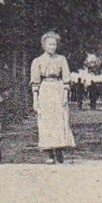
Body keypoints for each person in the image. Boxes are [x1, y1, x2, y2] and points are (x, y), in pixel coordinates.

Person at [29, 31, 75, 163]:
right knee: (46, 121)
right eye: (49, 44)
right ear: (44, 45)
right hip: (45, 90)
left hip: (58, 89)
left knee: (59, 120)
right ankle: (49, 153)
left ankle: (59, 150)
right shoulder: (37, 61)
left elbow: (66, 78)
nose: (52, 47)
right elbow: (35, 82)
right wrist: (35, 100)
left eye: (54, 44)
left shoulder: (61, 59)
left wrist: (65, 95)